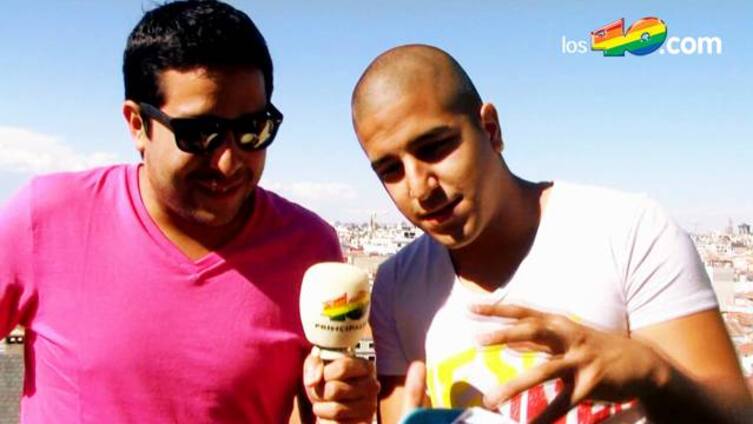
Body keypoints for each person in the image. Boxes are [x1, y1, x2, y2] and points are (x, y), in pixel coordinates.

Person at [0, 1, 377, 422]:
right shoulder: (45, 218)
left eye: (253, 129)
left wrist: (345, 403)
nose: (229, 162)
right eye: (199, 134)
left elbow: (321, 404)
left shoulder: (307, 247)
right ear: (137, 125)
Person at [350, 44, 753, 423]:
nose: (419, 188)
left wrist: (653, 374)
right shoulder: (395, 286)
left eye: (435, 147)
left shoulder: (629, 231)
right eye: (391, 170)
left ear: (490, 130)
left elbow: (737, 415)